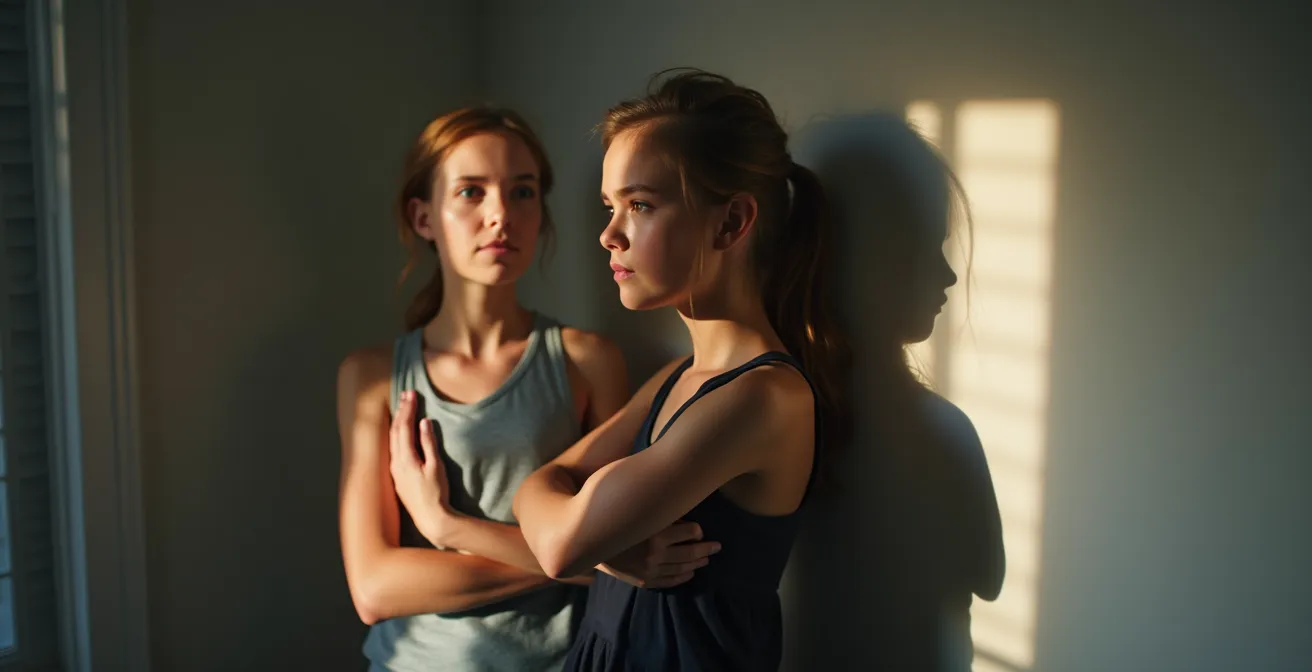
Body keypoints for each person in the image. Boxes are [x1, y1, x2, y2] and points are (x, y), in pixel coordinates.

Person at [335, 107, 715, 672]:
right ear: (423, 217)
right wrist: (585, 558)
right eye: (470, 192)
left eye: (522, 192)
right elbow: (375, 589)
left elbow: (626, 549)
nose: (500, 216)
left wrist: (447, 529)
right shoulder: (372, 378)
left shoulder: (587, 361)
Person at [510, 69, 851, 672]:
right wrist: (619, 555)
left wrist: (596, 542)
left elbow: (560, 545)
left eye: (640, 204)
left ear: (730, 223)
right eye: (610, 206)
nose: (608, 234)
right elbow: (540, 484)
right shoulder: (676, 378)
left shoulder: (764, 397)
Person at [784, 112, 1006, 670]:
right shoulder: (942, 433)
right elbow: (989, 576)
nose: (948, 276)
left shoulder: (760, 420)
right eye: (922, 249)